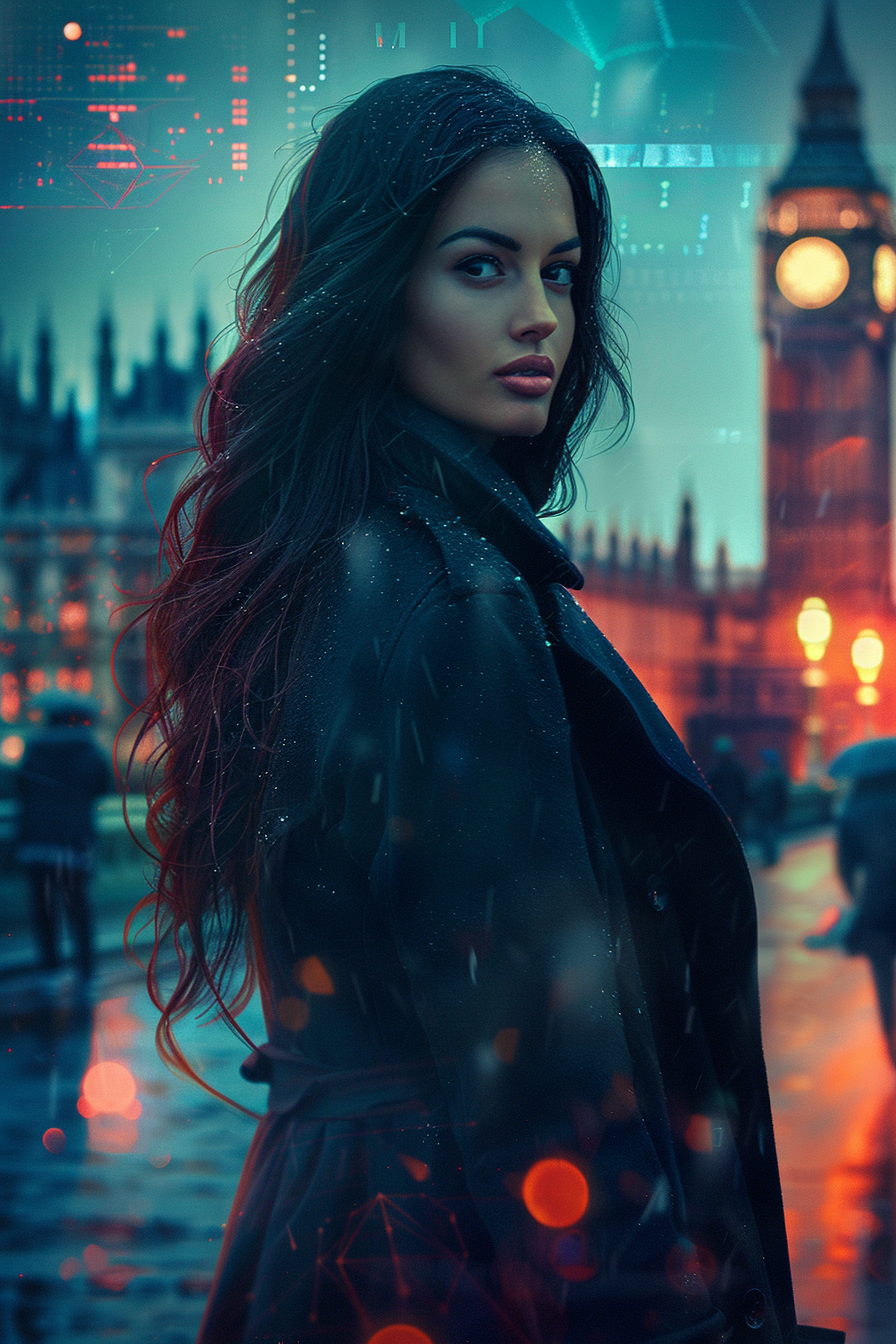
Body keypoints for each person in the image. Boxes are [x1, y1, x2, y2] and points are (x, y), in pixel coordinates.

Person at [133, 68, 842, 1344]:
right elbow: (547, 1093)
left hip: (334, 1240)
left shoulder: (330, 559)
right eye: (480, 268)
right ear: (371, 287)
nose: (538, 318)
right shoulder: (453, 596)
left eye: (560, 274)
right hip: (455, 1270)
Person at [16, 695, 112, 981]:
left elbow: (21, 787)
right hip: (73, 840)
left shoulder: (34, 748)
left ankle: (50, 967)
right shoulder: (88, 750)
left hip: (36, 839)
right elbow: (101, 787)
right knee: (77, 904)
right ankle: (85, 969)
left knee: (43, 906)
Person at [834, 770, 896, 1065]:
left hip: (877, 904)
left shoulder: (853, 807)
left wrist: (857, 897)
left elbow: (845, 866)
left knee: (882, 975)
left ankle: (890, 1041)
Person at [750, 749, 790, 868]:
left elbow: (755, 791)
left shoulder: (764, 775)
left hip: (765, 810)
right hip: (772, 810)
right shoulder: (779, 775)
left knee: (767, 834)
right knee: (771, 834)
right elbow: (783, 796)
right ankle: (771, 857)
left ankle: (770, 857)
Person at [706, 737, 750, 838]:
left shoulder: (716, 771)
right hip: (735, 811)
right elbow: (746, 791)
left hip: (724, 811)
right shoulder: (738, 769)